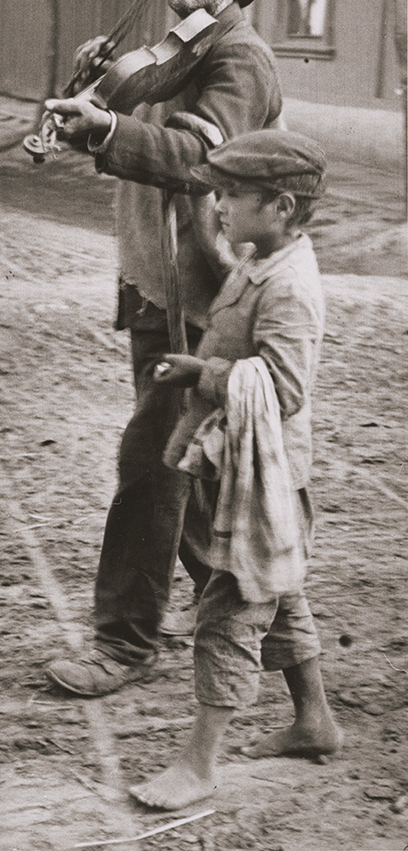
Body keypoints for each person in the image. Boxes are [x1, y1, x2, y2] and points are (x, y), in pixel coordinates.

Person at [44, 0, 284, 697]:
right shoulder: (166, 54)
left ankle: (122, 643)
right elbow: (122, 115)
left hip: (209, 302)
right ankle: (291, 661)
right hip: (156, 288)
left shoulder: (238, 59)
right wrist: (95, 89)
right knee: (197, 487)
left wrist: (106, 129)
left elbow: (190, 157)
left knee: (152, 463)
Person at [127, 129, 343, 810]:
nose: (218, 204)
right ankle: (314, 722)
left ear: (279, 207)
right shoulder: (260, 258)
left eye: (232, 194)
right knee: (276, 593)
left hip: (268, 477)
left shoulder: (290, 289)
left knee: (228, 614)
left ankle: (198, 765)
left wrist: (203, 371)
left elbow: (281, 390)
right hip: (241, 465)